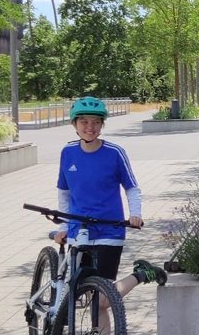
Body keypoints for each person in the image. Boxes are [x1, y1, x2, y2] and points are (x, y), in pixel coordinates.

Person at [55, 96, 142, 291]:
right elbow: (64, 192)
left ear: (102, 124)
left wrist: (135, 214)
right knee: (86, 294)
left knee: (102, 296)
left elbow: (132, 187)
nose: (90, 127)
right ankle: (100, 324)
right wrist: (64, 226)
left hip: (109, 229)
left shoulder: (114, 153)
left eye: (96, 122)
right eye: (84, 121)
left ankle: (140, 274)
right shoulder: (68, 152)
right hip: (79, 231)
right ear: (74, 124)